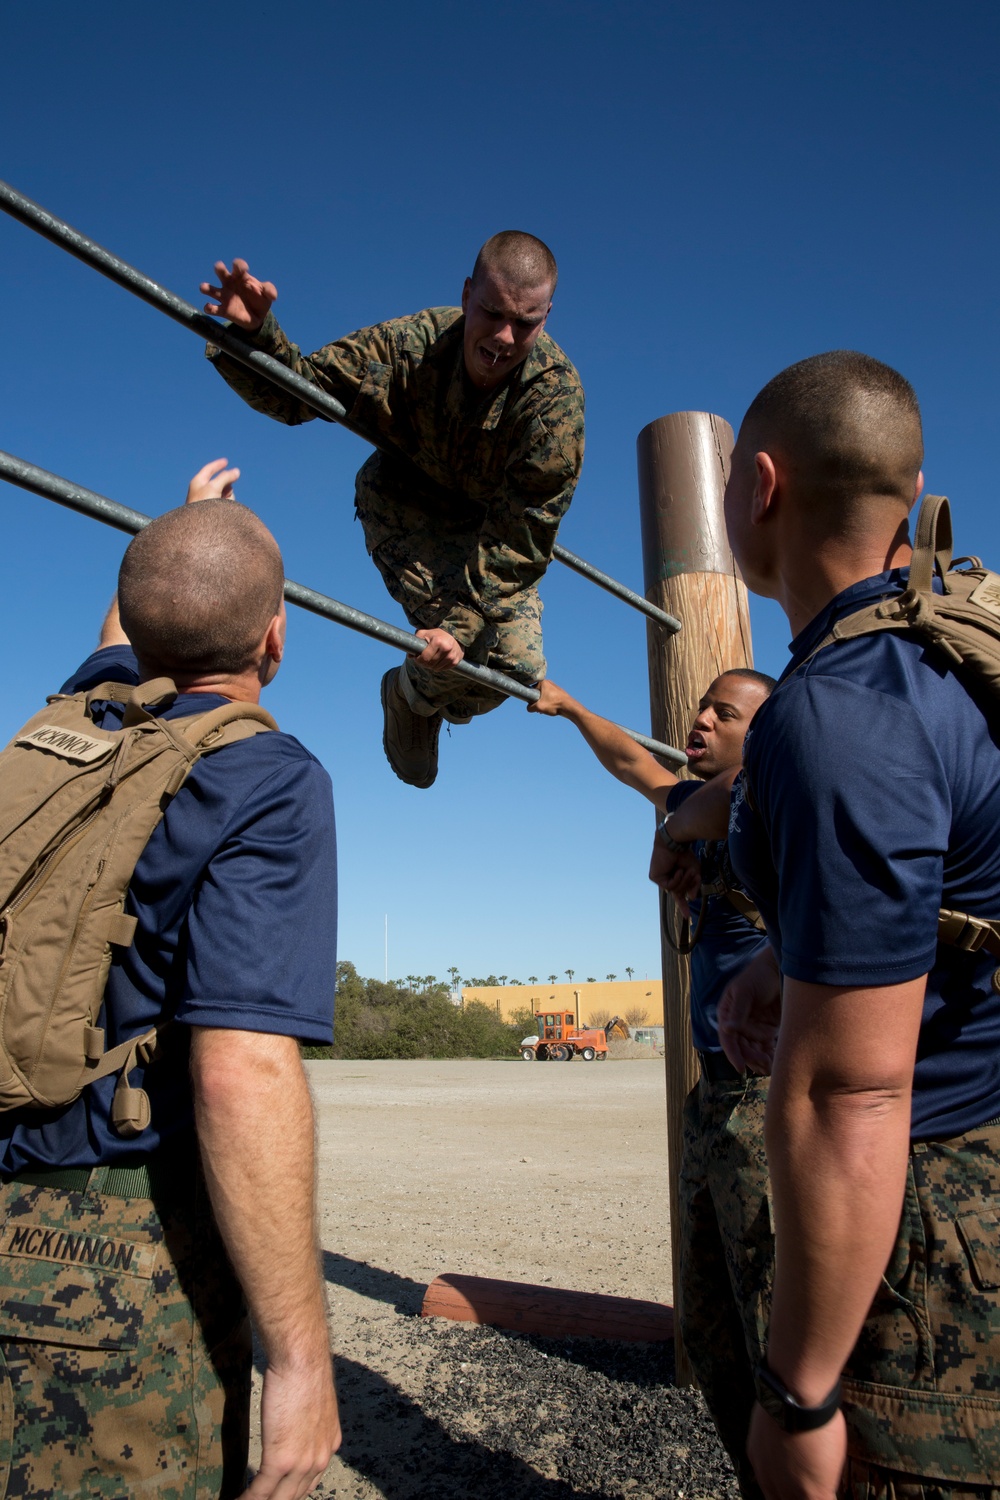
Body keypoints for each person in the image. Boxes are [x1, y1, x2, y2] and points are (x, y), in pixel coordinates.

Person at [0, 460, 341, 1500]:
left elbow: (132, 621)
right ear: (276, 636)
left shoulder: (69, 726)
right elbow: (241, 1074)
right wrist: (300, 1356)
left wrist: (186, 528)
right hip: (113, 1253)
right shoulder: (268, 779)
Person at [713, 350, 1000, 1499]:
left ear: (760, 489)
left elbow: (852, 1095)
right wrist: (793, 954)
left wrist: (799, 1394)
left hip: (933, 1217)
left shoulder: (836, 712)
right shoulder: (955, 649)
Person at [200, 232, 585, 789]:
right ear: (466, 293)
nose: (504, 337)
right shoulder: (411, 346)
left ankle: (411, 694)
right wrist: (255, 334)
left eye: (524, 323)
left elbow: (524, 533)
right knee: (465, 649)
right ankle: (426, 688)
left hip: (489, 537)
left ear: (546, 317)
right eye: (492, 313)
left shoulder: (554, 401)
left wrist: (459, 623)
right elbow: (299, 392)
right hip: (405, 507)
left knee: (516, 674)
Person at [532, 671, 776, 1498]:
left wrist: (679, 821)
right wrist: (570, 709)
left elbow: (770, 771)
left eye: (726, 713)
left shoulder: (775, 802)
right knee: (710, 1330)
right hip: (714, 1101)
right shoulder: (692, 803)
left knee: (776, 1325)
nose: (700, 718)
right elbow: (633, 763)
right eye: (701, 705)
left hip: (772, 1103)